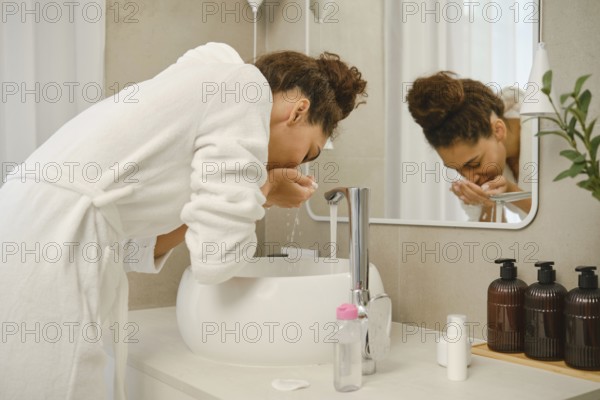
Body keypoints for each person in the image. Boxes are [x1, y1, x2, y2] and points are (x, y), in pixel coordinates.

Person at [0, 42, 367, 400]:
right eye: (309, 151)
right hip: (56, 240)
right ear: (299, 111)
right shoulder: (245, 88)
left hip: (31, 225)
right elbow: (215, 262)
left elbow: (131, 250)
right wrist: (265, 188)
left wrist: (262, 193)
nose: (298, 166)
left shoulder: (207, 96)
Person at [406, 71, 532, 222]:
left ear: (498, 130)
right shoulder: (480, 173)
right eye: (457, 168)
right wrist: (488, 203)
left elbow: (561, 221)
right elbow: (492, 241)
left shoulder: (552, 136)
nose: (471, 177)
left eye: (474, 163)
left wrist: (511, 192)